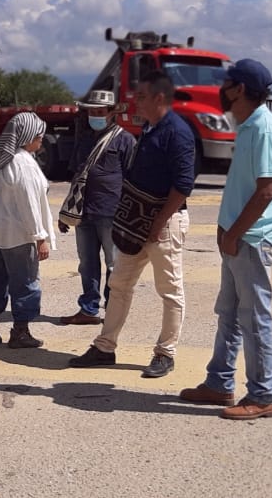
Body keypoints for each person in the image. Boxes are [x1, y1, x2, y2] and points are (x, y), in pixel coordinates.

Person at [178, 59, 272, 420]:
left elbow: (265, 192)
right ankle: (219, 383)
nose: (220, 90)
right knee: (228, 313)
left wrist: (236, 233)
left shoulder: (262, 129)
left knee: (254, 318)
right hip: (237, 238)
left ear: (239, 89)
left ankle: (263, 395)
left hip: (252, 240)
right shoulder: (248, 126)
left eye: (225, 83)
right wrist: (225, 230)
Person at [68, 70, 195, 378]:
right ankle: (105, 347)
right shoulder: (151, 128)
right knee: (120, 283)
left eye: (140, 97)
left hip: (163, 222)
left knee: (170, 290)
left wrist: (158, 223)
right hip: (137, 222)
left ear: (159, 98)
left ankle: (165, 353)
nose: (134, 102)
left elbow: (183, 185)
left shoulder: (176, 132)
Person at [0, 112, 56, 349]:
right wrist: (40, 237)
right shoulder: (23, 163)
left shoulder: (9, 159)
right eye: (39, 135)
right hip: (19, 236)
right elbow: (28, 204)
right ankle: (20, 331)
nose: (41, 139)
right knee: (25, 282)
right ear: (27, 136)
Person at [57, 90, 135, 326]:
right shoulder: (85, 139)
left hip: (111, 213)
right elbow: (76, 177)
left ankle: (113, 310)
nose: (95, 116)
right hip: (85, 213)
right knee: (87, 264)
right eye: (92, 112)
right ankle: (88, 309)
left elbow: (132, 179)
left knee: (114, 264)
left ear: (112, 113)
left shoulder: (125, 140)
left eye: (100, 112)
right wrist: (66, 213)